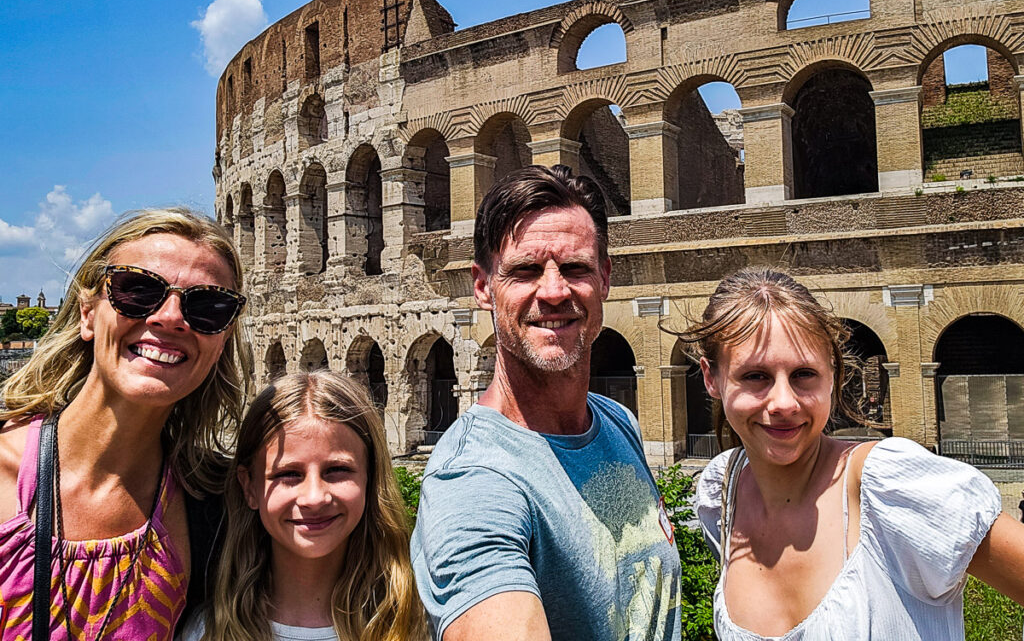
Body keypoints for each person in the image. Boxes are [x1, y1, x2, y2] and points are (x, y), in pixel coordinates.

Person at [411, 165, 682, 641]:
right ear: (482, 287)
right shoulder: (472, 479)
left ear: (604, 278)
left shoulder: (617, 422)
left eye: (575, 268)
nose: (554, 291)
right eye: (525, 270)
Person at [681, 267, 1024, 640]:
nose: (783, 402)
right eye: (755, 376)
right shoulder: (722, 492)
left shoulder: (892, 487)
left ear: (832, 374)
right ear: (711, 378)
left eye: (803, 374)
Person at [0, 208, 250, 639]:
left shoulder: (219, 507)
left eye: (208, 306)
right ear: (87, 314)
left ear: (222, 339)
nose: (169, 317)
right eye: (137, 291)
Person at [180, 370, 424, 641]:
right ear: (249, 486)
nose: (314, 497)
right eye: (288, 474)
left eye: (337, 470)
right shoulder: (206, 633)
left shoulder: (422, 626)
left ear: (370, 477)